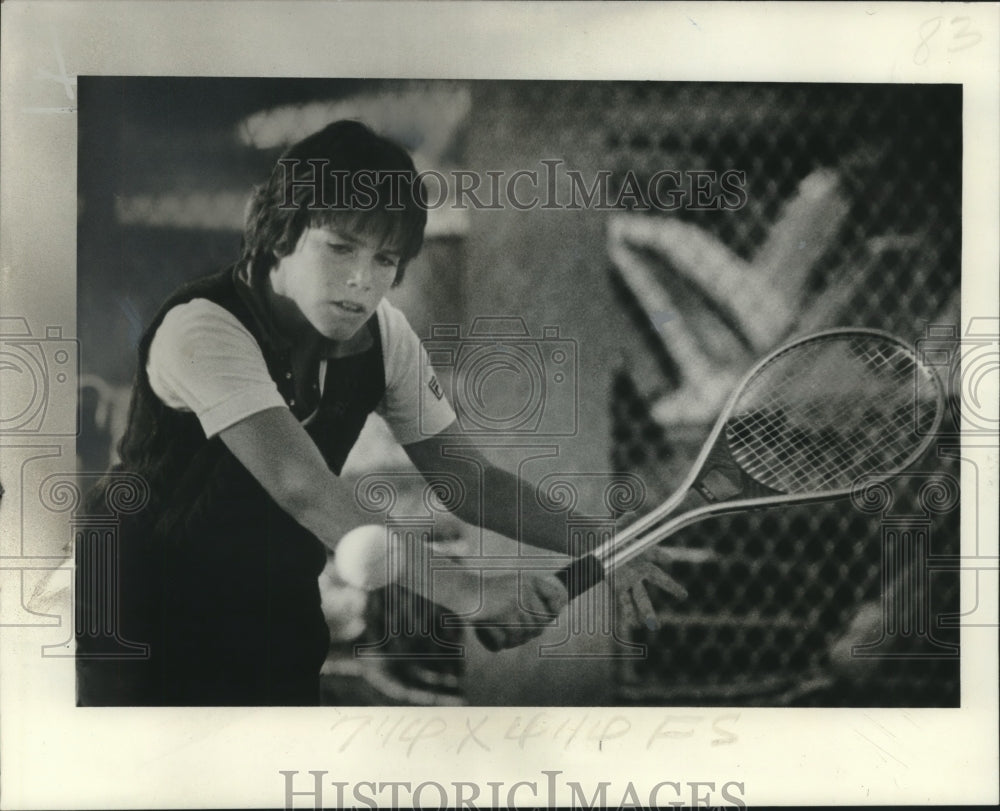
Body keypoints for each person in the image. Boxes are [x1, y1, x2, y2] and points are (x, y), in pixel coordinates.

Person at [75, 120, 683, 707]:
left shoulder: (384, 335)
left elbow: (465, 480)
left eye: (387, 260)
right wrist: (469, 594)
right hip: (139, 612)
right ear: (281, 233)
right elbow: (305, 489)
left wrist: (599, 541)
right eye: (340, 247)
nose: (362, 280)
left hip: (269, 609)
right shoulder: (202, 326)